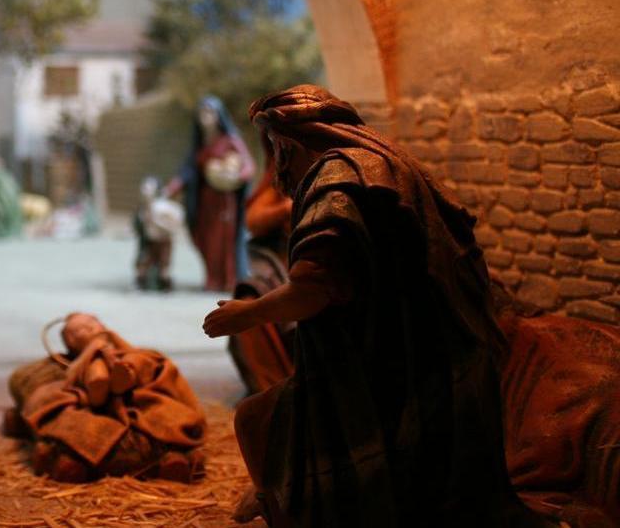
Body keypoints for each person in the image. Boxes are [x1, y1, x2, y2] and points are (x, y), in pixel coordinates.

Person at [202, 85, 545, 527]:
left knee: (256, 420)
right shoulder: (386, 163)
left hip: (385, 371)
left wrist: (245, 314)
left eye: (278, 148)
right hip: (434, 350)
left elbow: (313, 291)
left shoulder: (335, 183)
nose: (278, 163)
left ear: (290, 143)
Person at [3, 313, 206, 483]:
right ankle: (98, 390)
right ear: (71, 343)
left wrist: (116, 349)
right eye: (80, 330)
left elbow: (137, 354)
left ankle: (125, 379)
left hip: (129, 382)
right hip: (93, 394)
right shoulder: (68, 361)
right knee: (94, 376)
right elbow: (71, 376)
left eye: (93, 323)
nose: (90, 329)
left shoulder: (118, 345)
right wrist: (92, 350)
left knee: (143, 360)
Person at [227, 137, 296, 394]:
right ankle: (273, 390)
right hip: (279, 266)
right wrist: (286, 209)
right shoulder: (280, 182)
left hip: (306, 269)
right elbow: (254, 220)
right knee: (246, 307)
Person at [165, 96, 255, 292]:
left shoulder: (231, 140)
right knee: (208, 241)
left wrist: (235, 175)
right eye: (202, 113)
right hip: (205, 201)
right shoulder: (200, 144)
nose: (205, 117)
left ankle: (229, 280)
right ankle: (212, 278)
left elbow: (248, 165)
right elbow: (187, 172)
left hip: (225, 200)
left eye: (209, 112)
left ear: (218, 115)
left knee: (224, 240)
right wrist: (170, 189)